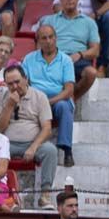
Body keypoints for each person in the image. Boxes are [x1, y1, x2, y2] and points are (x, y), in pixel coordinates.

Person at [0, 65, 57, 207]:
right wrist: (9, 105)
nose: (14, 86)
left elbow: (47, 128)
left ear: (26, 79)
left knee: (50, 151)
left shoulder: (39, 96)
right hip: (7, 143)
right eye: (10, 84)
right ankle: (0, 195)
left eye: (17, 82)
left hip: (32, 142)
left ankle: (45, 195)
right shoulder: (1, 97)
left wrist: (33, 147)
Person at [22, 25, 77, 168]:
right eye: (44, 38)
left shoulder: (65, 60)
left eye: (51, 37)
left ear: (56, 38)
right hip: (35, 102)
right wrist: (38, 101)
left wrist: (49, 101)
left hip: (57, 100)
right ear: (38, 41)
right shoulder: (29, 59)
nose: (48, 41)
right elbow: (24, 84)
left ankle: (67, 150)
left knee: (64, 106)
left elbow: (69, 90)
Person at [41, 0, 100, 100]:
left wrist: (80, 54)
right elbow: (40, 47)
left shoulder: (89, 22)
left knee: (91, 73)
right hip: (55, 57)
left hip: (78, 59)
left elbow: (95, 51)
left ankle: (71, 98)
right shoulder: (49, 21)